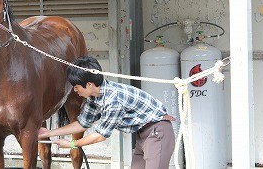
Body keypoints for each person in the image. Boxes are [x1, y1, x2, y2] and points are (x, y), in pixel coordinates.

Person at [38, 56, 176, 169]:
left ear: (89, 84)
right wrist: (49, 133)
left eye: (76, 87)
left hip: (157, 132)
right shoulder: (94, 97)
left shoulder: (113, 100)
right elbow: (82, 124)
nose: (75, 91)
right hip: (143, 134)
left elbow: (100, 135)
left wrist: (72, 144)